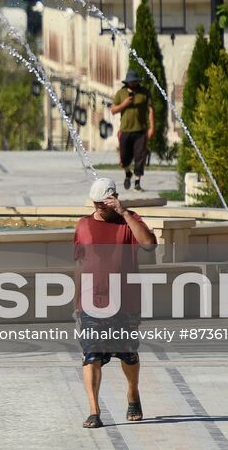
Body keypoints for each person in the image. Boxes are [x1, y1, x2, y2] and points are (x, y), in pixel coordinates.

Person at [74, 175, 158, 429]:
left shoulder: (129, 221)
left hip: (125, 302)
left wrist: (124, 213)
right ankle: (94, 411)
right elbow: (80, 260)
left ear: (114, 199)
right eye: (96, 204)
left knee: (128, 354)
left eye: (104, 203)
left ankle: (133, 392)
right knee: (91, 355)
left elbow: (149, 245)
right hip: (90, 303)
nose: (99, 208)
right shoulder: (83, 225)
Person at [109, 72, 154, 191]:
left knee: (140, 157)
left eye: (135, 81)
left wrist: (152, 127)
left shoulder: (144, 93)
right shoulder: (121, 93)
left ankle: (137, 182)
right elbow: (113, 110)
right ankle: (128, 173)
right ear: (127, 82)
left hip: (140, 131)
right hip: (125, 130)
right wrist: (125, 104)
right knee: (124, 159)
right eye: (131, 81)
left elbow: (150, 110)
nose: (133, 83)